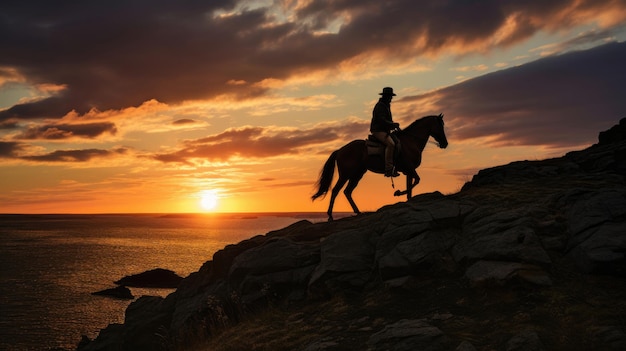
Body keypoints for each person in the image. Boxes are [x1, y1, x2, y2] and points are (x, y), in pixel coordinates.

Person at [370, 87, 400, 177]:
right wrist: (392, 124)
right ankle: (388, 169)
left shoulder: (385, 105)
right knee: (391, 144)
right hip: (378, 130)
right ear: (386, 96)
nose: (391, 98)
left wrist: (392, 125)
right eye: (390, 96)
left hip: (383, 130)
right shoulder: (380, 106)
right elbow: (381, 120)